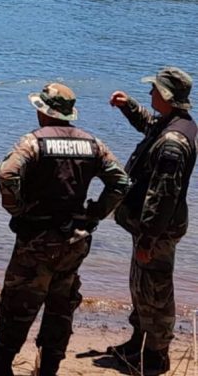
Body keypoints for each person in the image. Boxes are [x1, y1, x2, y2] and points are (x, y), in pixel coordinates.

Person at [0, 83, 129, 376]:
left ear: (43, 111)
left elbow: (6, 173)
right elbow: (121, 182)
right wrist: (95, 214)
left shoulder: (33, 142)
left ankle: (0, 366)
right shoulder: (92, 143)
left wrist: (17, 208)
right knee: (61, 305)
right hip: (75, 239)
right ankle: (48, 368)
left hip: (37, 237)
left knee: (18, 302)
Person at [106, 67, 196, 375]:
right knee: (141, 287)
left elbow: (163, 197)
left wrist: (148, 239)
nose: (150, 94)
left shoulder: (174, 141)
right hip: (150, 228)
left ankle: (156, 357)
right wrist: (128, 106)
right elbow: (149, 124)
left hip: (157, 231)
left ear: (168, 97)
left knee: (155, 292)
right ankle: (138, 343)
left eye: (155, 90)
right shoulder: (171, 124)